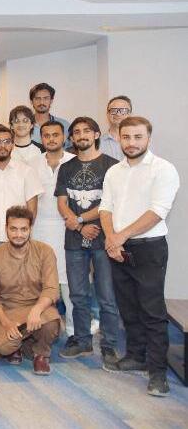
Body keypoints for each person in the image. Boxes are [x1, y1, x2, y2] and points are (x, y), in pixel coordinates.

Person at [99, 116, 180, 397]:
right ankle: (136, 356)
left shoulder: (163, 169)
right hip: (118, 248)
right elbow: (105, 208)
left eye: (137, 137)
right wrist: (112, 238)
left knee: (152, 311)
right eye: (126, 137)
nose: (131, 143)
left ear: (148, 138)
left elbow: (157, 211)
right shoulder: (114, 171)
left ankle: (158, 373)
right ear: (119, 138)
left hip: (149, 248)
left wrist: (120, 236)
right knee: (128, 306)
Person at [55, 117, 120, 364]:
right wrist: (78, 225)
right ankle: (82, 341)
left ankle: (109, 345)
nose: (81, 135)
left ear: (96, 134)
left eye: (86, 131)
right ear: (72, 138)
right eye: (77, 132)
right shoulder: (66, 167)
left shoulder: (112, 166)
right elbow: (62, 202)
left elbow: (109, 204)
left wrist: (80, 219)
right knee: (78, 294)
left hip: (104, 239)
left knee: (106, 296)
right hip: (74, 240)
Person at [0, 206, 61, 375]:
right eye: (13, 229)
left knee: (51, 323)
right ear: (6, 229)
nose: (18, 234)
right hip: (7, 312)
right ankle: (19, 345)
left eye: (23, 229)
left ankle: (40, 354)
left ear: (30, 229)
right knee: (3, 346)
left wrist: (36, 310)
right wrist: (6, 323)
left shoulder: (45, 251)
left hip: (38, 309)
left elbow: (51, 289)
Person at [26, 121, 76, 336]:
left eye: (56, 135)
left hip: (69, 228)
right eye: (46, 135)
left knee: (69, 281)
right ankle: (38, 328)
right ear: (41, 138)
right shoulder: (32, 164)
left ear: (64, 137)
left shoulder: (75, 161)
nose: (51, 139)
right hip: (39, 229)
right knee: (39, 280)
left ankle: (73, 330)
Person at [0, 127, 43, 262]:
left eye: (7, 141)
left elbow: (32, 210)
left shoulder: (27, 172)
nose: (2, 146)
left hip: (19, 239)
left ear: (13, 145)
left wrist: (24, 237)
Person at [99, 95, 133, 161]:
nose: (118, 114)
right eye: (113, 110)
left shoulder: (138, 141)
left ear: (130, 114)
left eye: (123, 110)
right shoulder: (97, 143)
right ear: (107, 114)